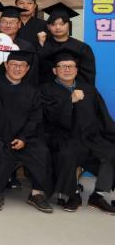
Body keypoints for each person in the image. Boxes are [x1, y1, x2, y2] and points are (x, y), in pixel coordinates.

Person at [0, 51, 53, 213]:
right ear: (6, 65)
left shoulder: (32, 91)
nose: (18, 68)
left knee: (41, 151)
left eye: (22, 66)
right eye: (14, 65)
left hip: (24, 135)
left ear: (27, 68)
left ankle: (37, 194)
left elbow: (35, 118)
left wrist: (23, 137)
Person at [39, 48, 115, 214]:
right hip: (62, 137)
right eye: (62, 66)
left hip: (90, 137)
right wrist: (69, 101)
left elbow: (103, 116)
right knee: (67, 154)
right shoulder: (46, 90)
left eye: (71, 66)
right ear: (54, 70)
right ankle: (72, 194)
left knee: (111, 152)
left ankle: (98, 195)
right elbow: (46, 117)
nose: (67, 69)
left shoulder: (89, 89)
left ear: (76, 70)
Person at [38, 2, 96, 85]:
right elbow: (38, 71)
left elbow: (87, 75)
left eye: (62, 24)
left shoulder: (82, 48)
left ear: (69, 25)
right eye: (53, 24)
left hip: (74, 90)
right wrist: (41, 46)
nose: (58, 27)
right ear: (48, 27)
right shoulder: (42, 45)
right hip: (47, 90)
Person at [0, 6, 39, 86]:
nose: (7, 25)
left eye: (12, 22)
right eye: (4, 21)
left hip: (20, 88)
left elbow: (32, 72)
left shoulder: (27, 47)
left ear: (19, 25)